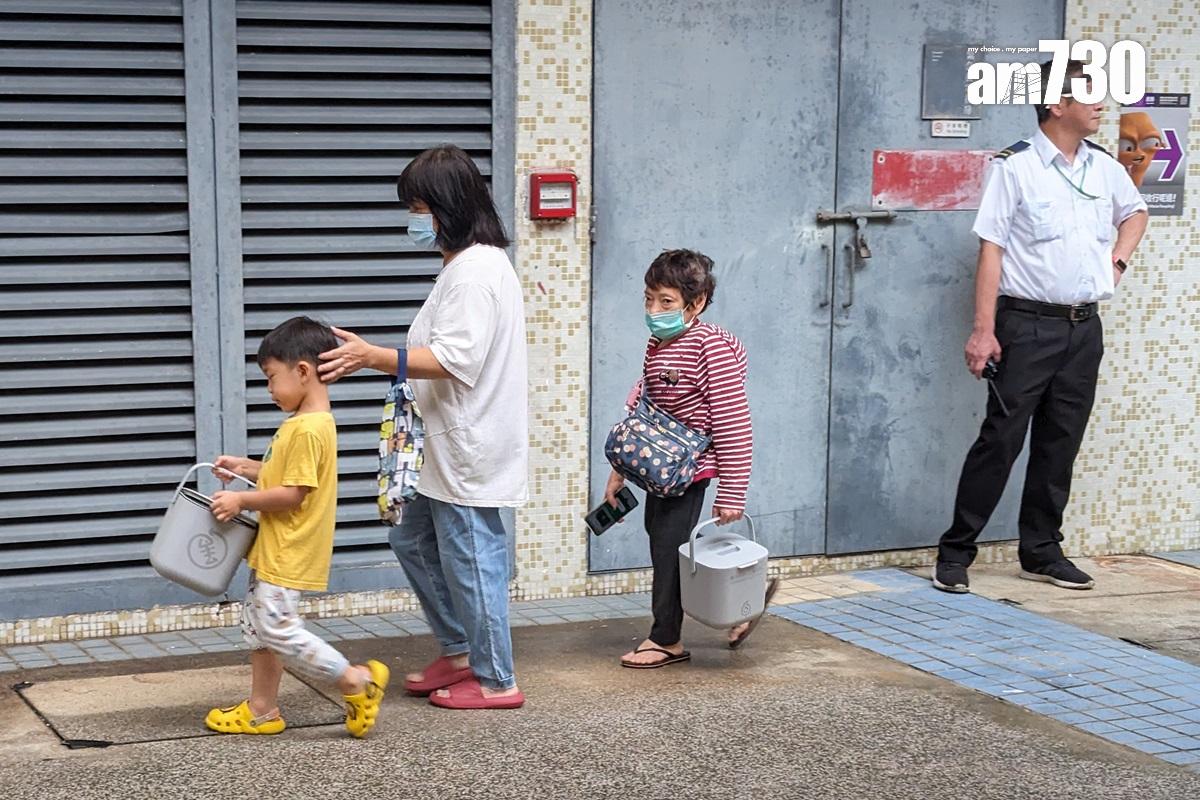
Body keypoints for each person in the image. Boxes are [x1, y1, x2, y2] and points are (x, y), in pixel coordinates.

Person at [318, 145, 528, 710]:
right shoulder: (466, 267)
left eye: (417, 206)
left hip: (467, 445)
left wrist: (374, 356)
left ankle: (496, 680)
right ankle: (460, 652)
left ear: (446, 205)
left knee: (472, 557)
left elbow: (456, 358)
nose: (413, 218)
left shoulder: (475, 272)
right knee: (412, 538)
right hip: (444, 445)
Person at [933, 60, 1148, 594]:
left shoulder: (1103, 167)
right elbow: (992, 251)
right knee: (1000, 440)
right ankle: (956, 552)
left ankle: (1042, 550)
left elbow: (1136, 212)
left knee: (1061, 442)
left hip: (1083, 329)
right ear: (1057, 105)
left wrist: (1116, 263)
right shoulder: (1015, 167)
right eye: (1090, 95)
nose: (1101, 105)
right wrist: (984, 330)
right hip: (1026, 325)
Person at [205, 316, 389, 737]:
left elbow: (293, 494)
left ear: (303, 372)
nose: (269, 389)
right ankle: (262, 709)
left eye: (271, 378)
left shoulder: (307, 429)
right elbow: (282, 477)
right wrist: (247, 468)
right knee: (258, 628)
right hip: (276, 547)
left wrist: (240, 500)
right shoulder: (304, 424)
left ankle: (354, 680)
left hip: (289, 548)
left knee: (277, 628)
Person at [605, 249, 772, 669]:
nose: (654, 310)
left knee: (668, 545)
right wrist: (618, 473)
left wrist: (733, 492)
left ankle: (666, 639)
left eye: (666, 301)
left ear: (695, 304)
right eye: (648, 299)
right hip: (661, 468)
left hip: (690, 468)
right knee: (670, 541)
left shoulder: (710, 348)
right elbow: (643, 409)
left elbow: (734, 422)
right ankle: (743, 600)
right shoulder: (658, 343)